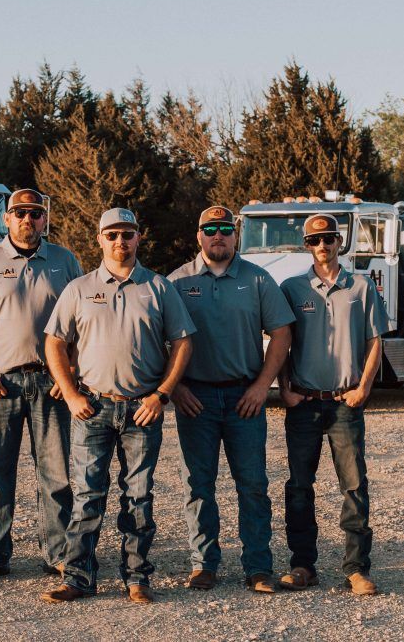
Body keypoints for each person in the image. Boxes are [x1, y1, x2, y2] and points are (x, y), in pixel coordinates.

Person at [39, 208, 196, 604]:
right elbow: (54, 342)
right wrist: (70, 393)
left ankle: (137, 577)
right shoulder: (78, 288)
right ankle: (78, 577)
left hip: (142, 410)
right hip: (92, 408)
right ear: (99, 239)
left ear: (138, 238)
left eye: (127, 234)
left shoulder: (158, 287)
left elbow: (182, 342)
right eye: (112, 235)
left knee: (138, 496)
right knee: (87, 495)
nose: (119, 242)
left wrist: (161, 395)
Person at [0, 188, 82, 582]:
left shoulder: (65, 260)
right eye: (20, 213)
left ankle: (57, 554)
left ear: (45, 219)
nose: (28, 219)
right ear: (6, 218)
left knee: (57, 474)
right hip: (0, 384)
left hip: (51, 382)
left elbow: (83, 321)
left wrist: (71, 372)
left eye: (35, 213)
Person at [167, 206, 295, 594]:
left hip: (245, 397)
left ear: (236, 235)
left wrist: (262, 387)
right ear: (199, 235)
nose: (218, 235)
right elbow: (160, 341)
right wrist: (176, 388)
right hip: (196, 398)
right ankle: (203, 564)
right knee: (198, 485)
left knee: (253, 484)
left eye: (225, 229)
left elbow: (282, 333)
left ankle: (258, 567)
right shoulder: (176, 282)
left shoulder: (257, 280)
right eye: (210, 229)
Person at [277, 213, 387, 596]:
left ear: (340, 242)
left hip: (345, 402)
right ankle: (303, 565)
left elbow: (375, 341)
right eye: (314, 241)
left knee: (354, 486)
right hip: (304, 402)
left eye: (328, 239)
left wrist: (364, 389)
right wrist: (283, 388)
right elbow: (281, 342)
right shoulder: (291, 288)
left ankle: (356, 569)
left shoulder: (361, 286)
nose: (322, 247)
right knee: (299, 487)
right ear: (305, 245)